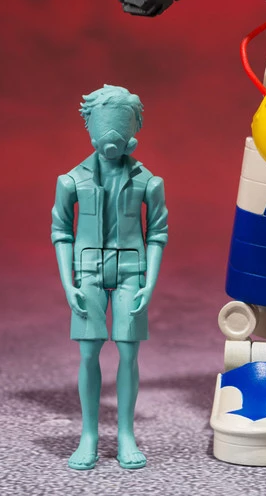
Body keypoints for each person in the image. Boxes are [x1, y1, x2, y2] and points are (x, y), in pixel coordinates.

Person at [51, 85, 168, 470]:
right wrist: (68, 282)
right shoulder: (71, 181)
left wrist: (150, 282)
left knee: (129, 352)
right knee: (88, 351)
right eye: (106, 125)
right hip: (87, 269)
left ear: (133, 128)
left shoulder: (148, 182)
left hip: (132, 269)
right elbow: (61, 230)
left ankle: (125, 434)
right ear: (91, 127)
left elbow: (158, 233)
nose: (112, 137)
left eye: (121, 124)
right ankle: (88, 434)